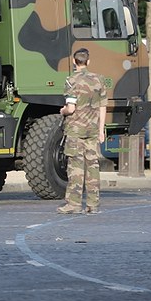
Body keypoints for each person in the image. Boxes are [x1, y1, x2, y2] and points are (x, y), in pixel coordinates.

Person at [56, 48, 107, 215]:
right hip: (92, 130)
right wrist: (101, 130)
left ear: (73, 61)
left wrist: (62, 111)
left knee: (76, 168)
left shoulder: (71, 81)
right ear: (88, 61)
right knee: (93, 166)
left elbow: (71, 108)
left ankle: (73, 204)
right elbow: (103, 107)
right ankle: (93, 204)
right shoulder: (99, 80)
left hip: (75, 131)